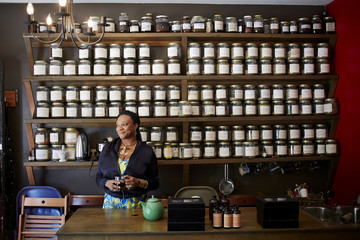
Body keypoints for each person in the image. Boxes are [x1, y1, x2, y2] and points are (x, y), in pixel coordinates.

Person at [96, 110, 159, 209]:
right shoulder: (107, 149)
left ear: (135, 126)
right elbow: (98, 177)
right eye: (117, 125)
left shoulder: (146, 151)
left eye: (124, 124)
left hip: (136, 204)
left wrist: (138, 182)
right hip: (110, 204)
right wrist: (106, 183)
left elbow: (155, 183)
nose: (119, 128)